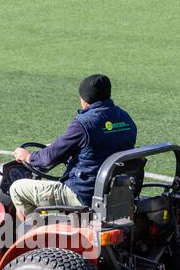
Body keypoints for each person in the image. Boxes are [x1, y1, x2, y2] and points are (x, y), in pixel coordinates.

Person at [9, 74, 137, 220]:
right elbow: (103, 147)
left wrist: (27, 156)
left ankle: (36, 235)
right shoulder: (125, 118)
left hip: (83, 194)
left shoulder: (83, 124)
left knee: (17, 188)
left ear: (85, 99)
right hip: (114, 193)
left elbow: (46, 160)